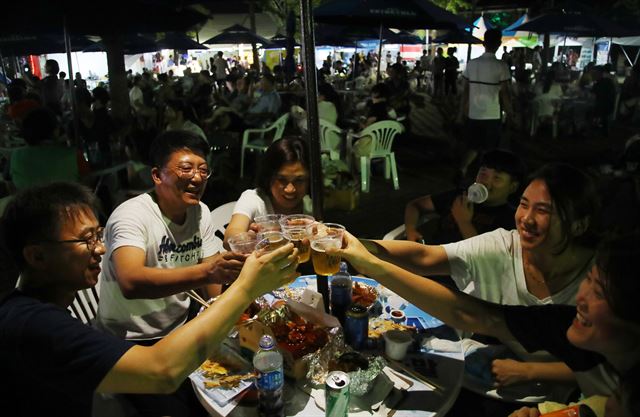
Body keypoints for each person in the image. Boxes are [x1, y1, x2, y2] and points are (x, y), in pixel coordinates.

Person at [0, 182, 298, 416]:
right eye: (85, 239)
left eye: (98, 235)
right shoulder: (34, 327)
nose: (100, 249)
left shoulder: (36, 312)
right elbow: (161, 372)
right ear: (37, 255)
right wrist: (246, 287)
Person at [359, 164, 600, 410]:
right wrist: (357, 246)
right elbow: (425, 257)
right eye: (524, 204)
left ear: (578, 225)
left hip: (549, 402)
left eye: (543, 211)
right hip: (482, 376)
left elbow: (605, 366)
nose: (526, 219)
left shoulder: (600, 283)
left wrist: (530, 370)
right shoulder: (503, 246)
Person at [332, 230, 640, 415]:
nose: (582, 298)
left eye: (599, 292)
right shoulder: (569, 325)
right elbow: (471, 314)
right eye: (588, 281)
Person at [404, 149, 525, 244]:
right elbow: (416, 205)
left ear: (512, 187)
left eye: (497, 178)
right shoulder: (460, 196)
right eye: (483, 173)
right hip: (430, 261)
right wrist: (410, 230)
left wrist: (463, 222)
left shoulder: (510, 218)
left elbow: (485, 259)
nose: (486, 182)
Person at [224, 137, 311, 248]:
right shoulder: (254, 199)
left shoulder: (311, 206)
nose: (290, 189)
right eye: (281, 179)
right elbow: (229, 238)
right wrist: (254, 238)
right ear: (268, 177)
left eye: (299, 180)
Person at [461, 28, 512, 177]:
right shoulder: (501, 66)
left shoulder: (472, 63)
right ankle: (485, 173)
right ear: (499, 43)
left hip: (474, 112)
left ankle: (463, 168)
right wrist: (511, 113)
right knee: (490, 147)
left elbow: (464, 91)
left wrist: (461, 111)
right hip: (491, 113)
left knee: (474, 145)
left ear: (484, 43)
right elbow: (505, 93)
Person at [9, 107, 88, 190]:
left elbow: (13, 186)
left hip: (30, 202)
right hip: (69, 201)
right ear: (55, 130)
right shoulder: (74, 155)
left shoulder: (16, 156)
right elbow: (87, 183)